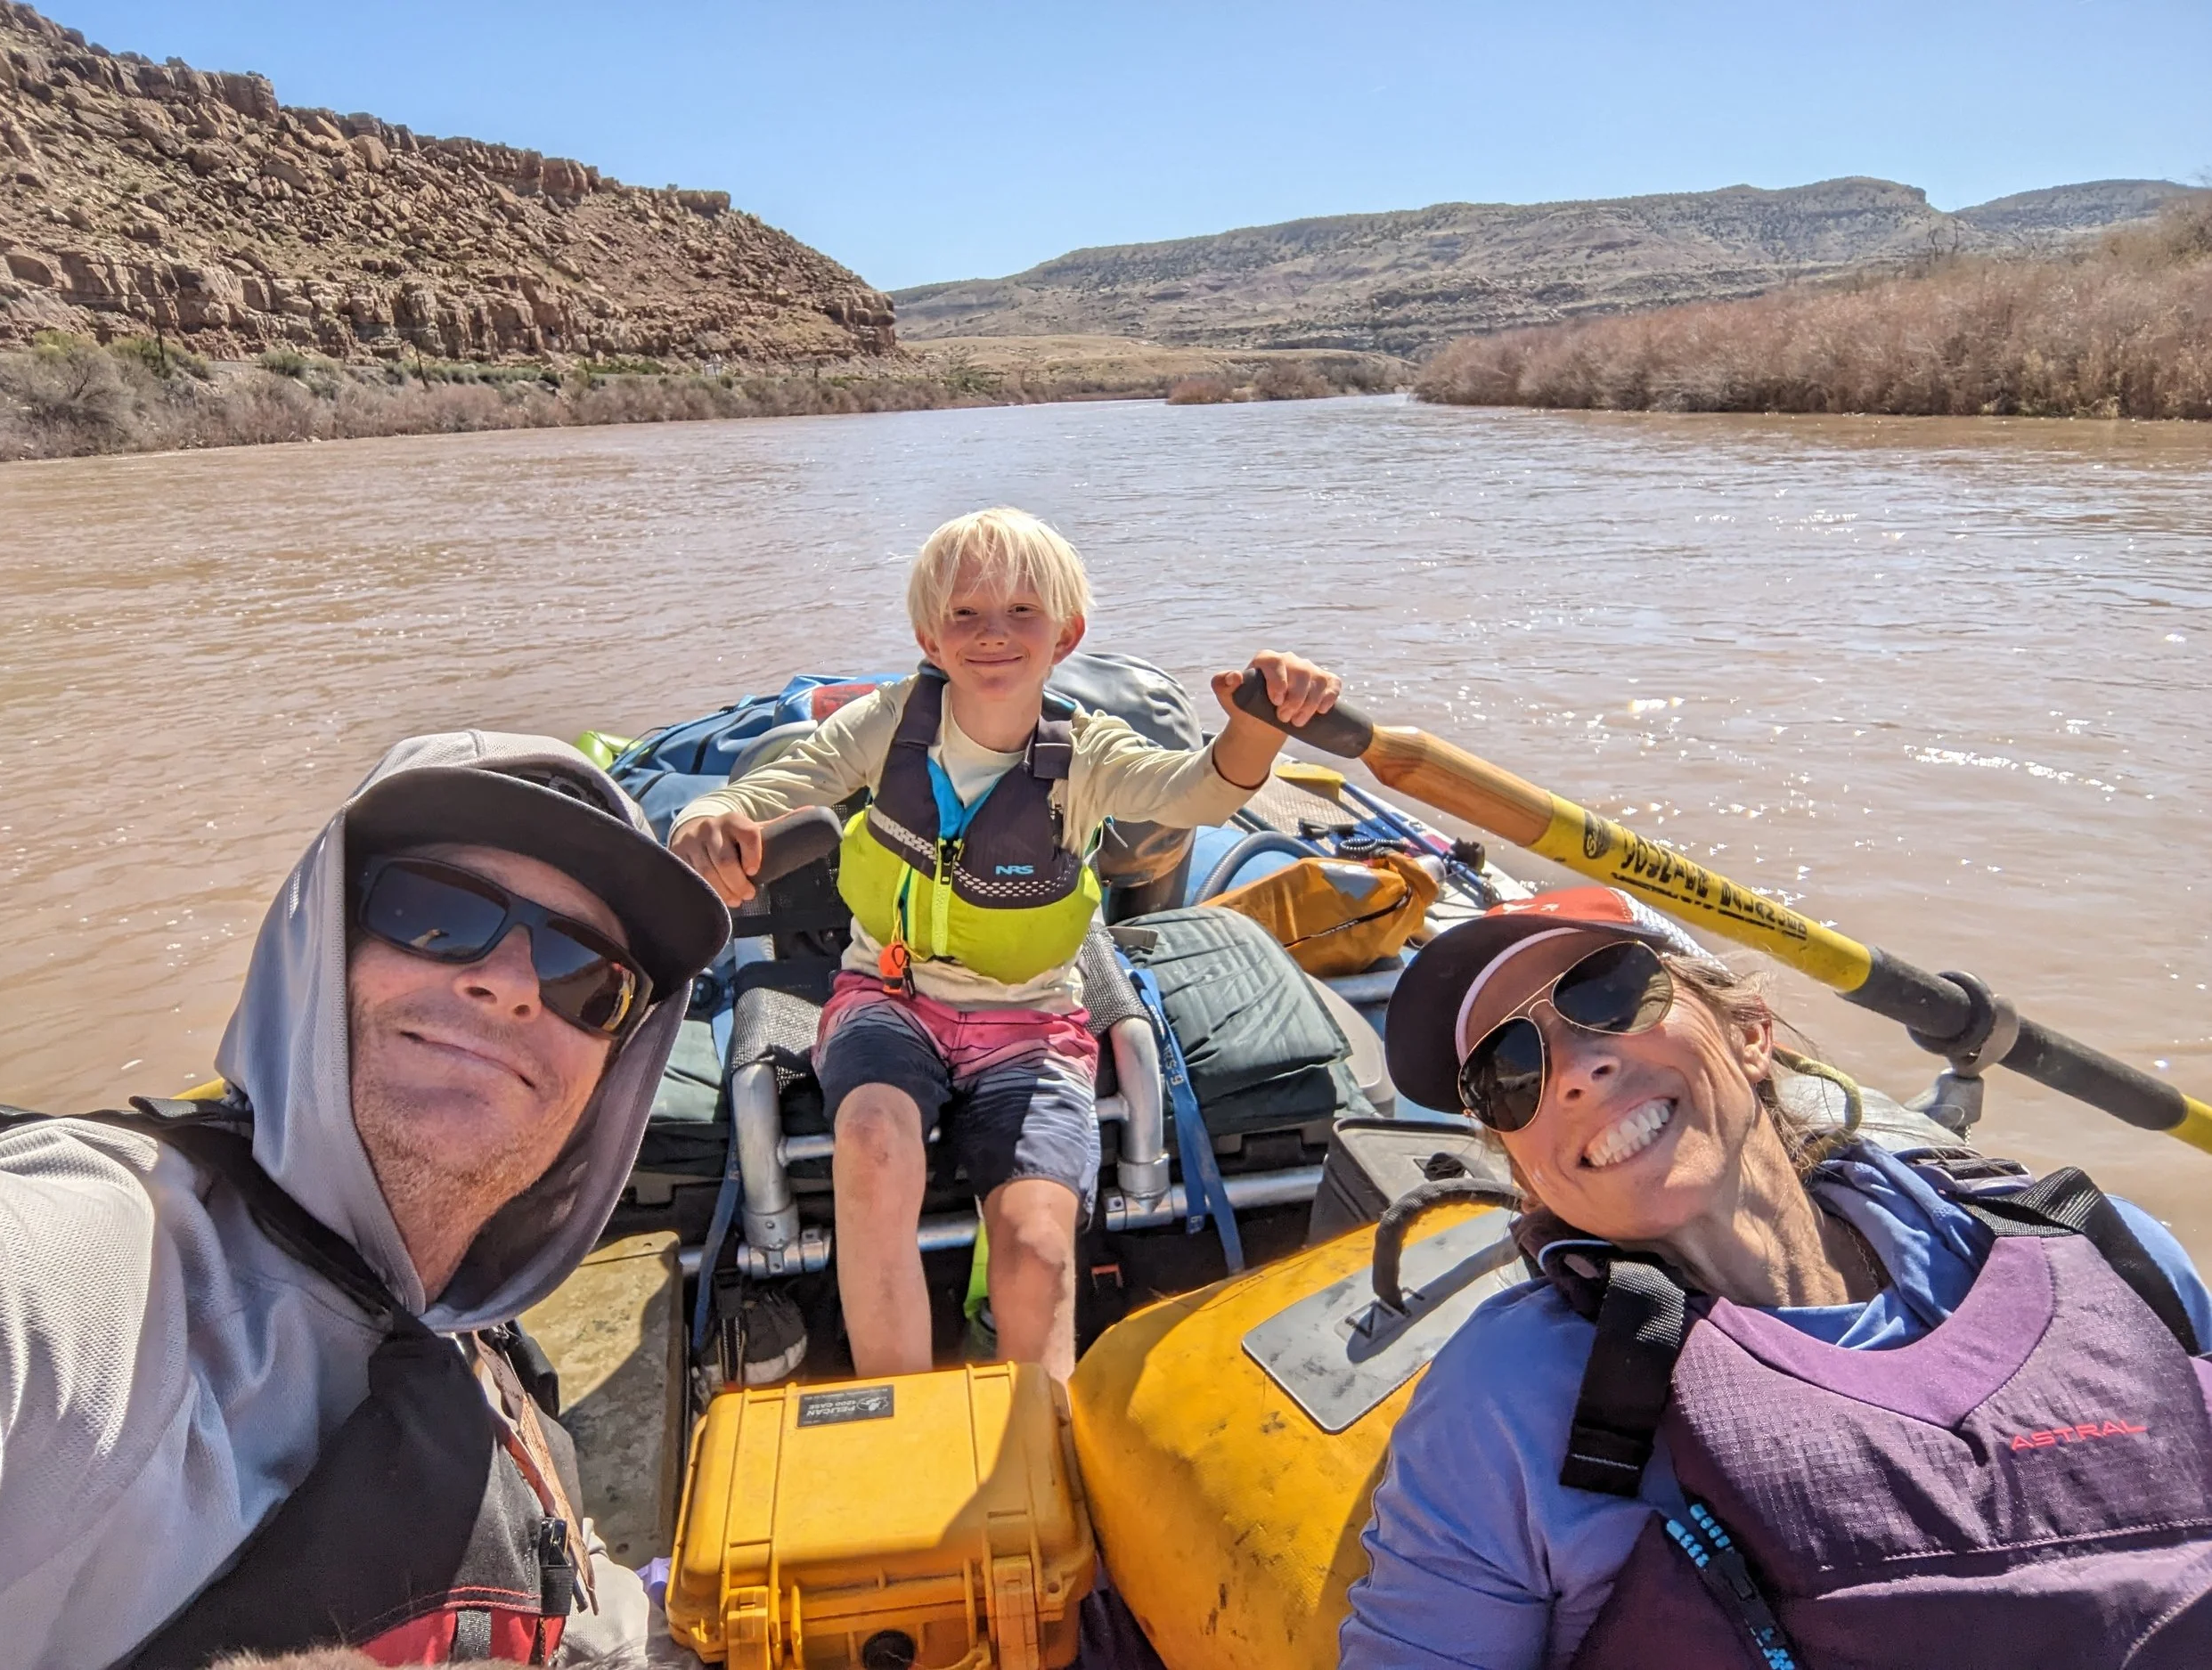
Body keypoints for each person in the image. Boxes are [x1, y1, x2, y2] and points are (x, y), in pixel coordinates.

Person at [0, 732, 730, 1670]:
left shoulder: (466, 1337)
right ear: (316, 945)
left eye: (585, 976)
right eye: (435, 913)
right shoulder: (97, 1265)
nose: (507, 985)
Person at [1341, 885, 2212, 1670]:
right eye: (1511, 1073)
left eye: (1608, 991)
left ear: (1749, 1031)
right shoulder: (1509, 1399)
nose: (1573, 1071)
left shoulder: (2102, 1249)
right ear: (1526, 1170)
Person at [670, 506, 1340, 1384]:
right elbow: (778, 784)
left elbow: (1197, 795)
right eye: (965, 615)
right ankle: (900, 1416)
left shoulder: (1088, 753)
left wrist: (1261, 721)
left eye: (1022, 612)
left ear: (1066, 635)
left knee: (1034, 1249)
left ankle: (1039, 1451)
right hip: (890, 997)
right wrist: (709, 819)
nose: (992, 635)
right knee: (870, 1141)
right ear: (928, 636)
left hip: (1031, 1021)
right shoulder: (886, 723)